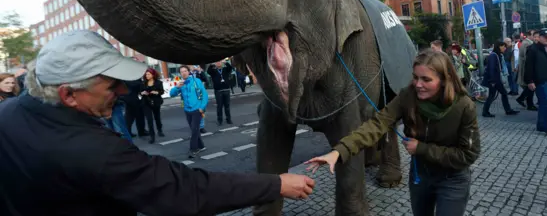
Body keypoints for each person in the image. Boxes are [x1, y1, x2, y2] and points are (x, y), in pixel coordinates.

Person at [0, 30, 315, 215]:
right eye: (112, 85)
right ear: (68, 94)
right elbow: (182, 189)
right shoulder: (93, 151)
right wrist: (275, 184)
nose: (123, 92)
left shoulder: (7, 115)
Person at [304, 49, 480, 216]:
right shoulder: (407, 96)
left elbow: (468, 154)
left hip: (452, 179)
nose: (418, 85)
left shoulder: (464, 106)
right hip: (420, 176)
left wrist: (421, 149)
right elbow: (376, 124)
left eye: (426, 79)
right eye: (415, 77)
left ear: (444, 79)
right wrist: (338, 151)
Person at [170, 65, 209, 158]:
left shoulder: (196, 81)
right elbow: (171, 94)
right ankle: (201, 146)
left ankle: (193, 149)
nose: (183, 73)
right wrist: (177, 87)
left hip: (197, 109)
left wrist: (202, 107)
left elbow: (204, 95)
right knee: (193, 129)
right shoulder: (181, 84)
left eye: (185, 71)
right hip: (187, 110)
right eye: (181, 72)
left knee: (195, 130)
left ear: (189, 72)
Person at [481, 41, 519, 118]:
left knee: (494, 95)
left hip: (495, 79)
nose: (505, 48)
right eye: (504, 46)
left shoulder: (497, 55)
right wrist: (492, 81)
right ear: (499, 46)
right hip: (493, 80)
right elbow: (491, 68)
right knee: (500, 94)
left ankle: (486, 111)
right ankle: (507, 110)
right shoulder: (493, 55)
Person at [140, 68, 165, 143]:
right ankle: (152, 136)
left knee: (157, 117)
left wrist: (156, 92)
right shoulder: (143, 83)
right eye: (146, 74)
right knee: (149, 120)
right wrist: (142, 93)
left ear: (153, 75)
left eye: (149, 74)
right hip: (146, 103)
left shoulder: (158, 83)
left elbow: (162, 91)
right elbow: (140, 92)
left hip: (156, 102)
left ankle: (159, 130)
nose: (147, 75)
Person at [516, 30, 538, 110]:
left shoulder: (526, 42)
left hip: (525, 66)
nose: (535, 37)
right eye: (534, 35)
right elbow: (526, 57)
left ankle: (529, 104)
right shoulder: (528, 43)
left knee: (530, 87)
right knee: (530, 86)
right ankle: (522, 99)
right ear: (529, 35)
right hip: (526, 67)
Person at [207, 61, 233, 125]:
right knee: (219, 106)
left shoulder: (225, 69)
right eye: (217, 62)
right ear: (215, 64)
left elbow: (230, 68)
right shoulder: (213, 71)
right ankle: (220, 120)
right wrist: (211, 64)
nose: (218, 63)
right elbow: (208, 71)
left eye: (219, 62)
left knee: (227, 106)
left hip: (226, 90)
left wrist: (225, 62)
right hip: (218, 91)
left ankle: (228, 119)